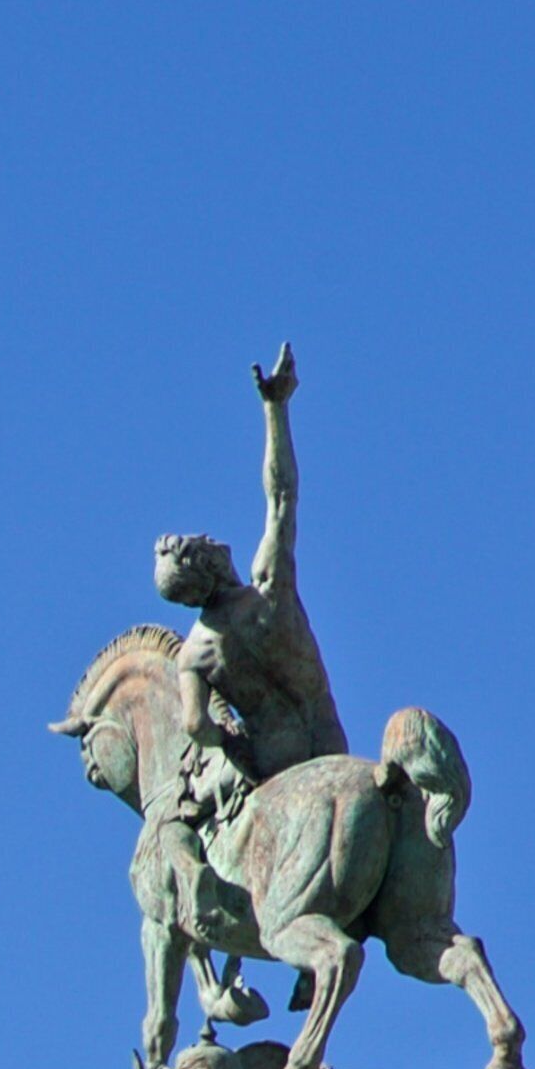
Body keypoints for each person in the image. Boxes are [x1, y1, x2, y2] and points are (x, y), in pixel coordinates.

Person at [157, 342, 350, 841]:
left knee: (185, 819)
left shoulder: (194, 655)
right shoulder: (269, 587)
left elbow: (195, 725)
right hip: (329, 741)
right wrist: (276, 408)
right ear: (212, 561)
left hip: (271, 760)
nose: (216, 542)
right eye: (207, 544)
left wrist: (231, 745)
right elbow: (282, 495)